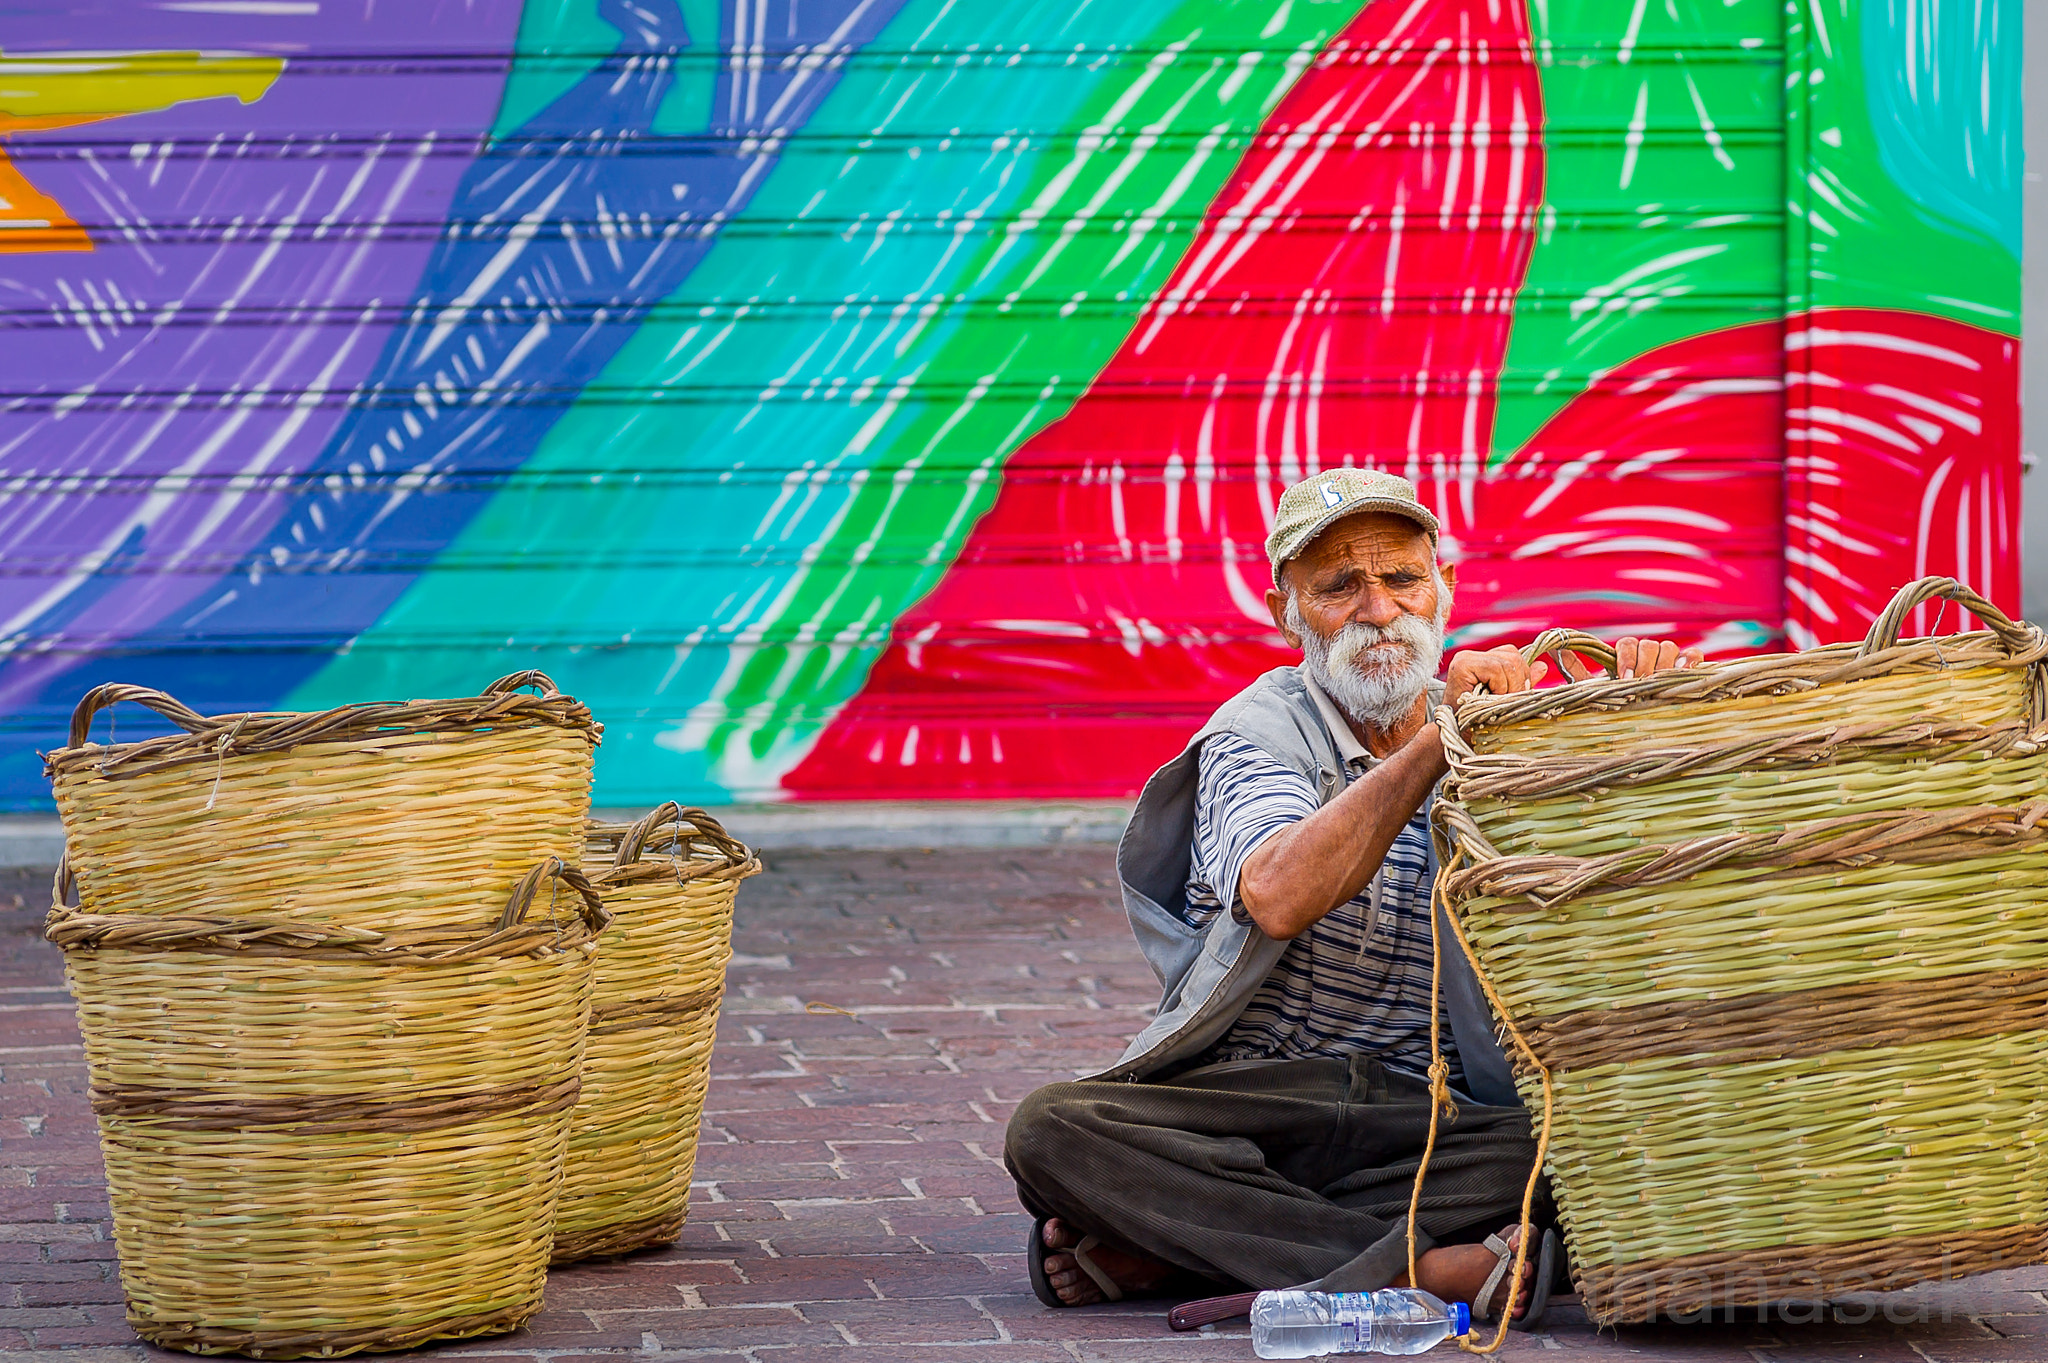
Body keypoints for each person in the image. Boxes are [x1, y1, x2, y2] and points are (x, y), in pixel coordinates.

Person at [1004, 468, 1703, 1327]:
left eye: (1402, 578)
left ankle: (1184, 1249)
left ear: (1444, 587)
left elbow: (1635, 898)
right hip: (1261, 1105)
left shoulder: (1499, 738)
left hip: (1427, 1118)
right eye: (1339, 586)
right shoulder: (1256, 734)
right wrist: (1438, 744)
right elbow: (1279, 892)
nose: (1379, 609)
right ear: (1285, 611)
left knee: (1604, 1140)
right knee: (1055, 1130)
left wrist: (1643, 710)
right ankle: (1424, 1263)